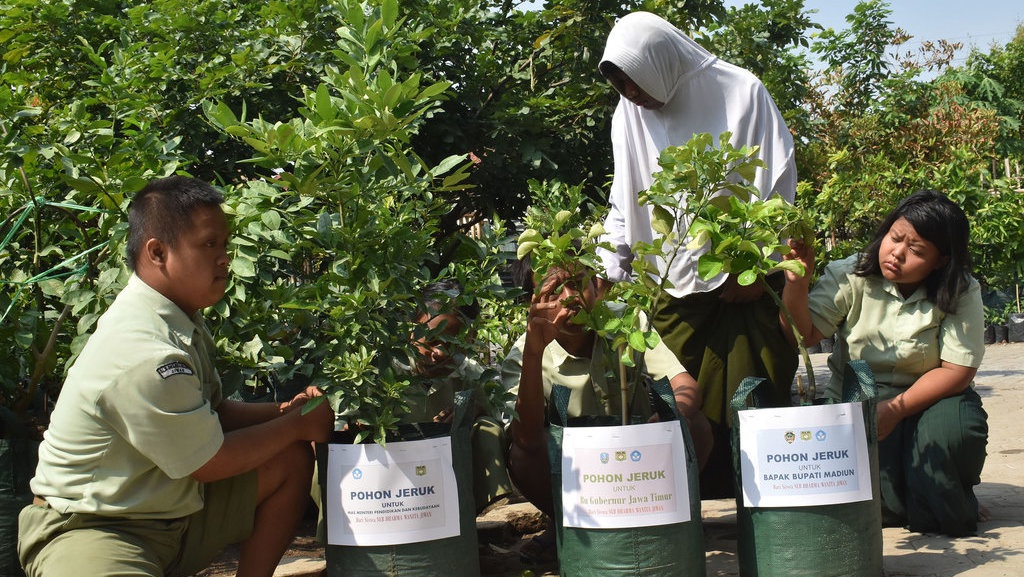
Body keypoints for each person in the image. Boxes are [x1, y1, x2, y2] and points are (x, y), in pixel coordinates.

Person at [18, 176, 336, 577]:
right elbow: (208, 461)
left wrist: (285, 411)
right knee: (287, 442)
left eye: (224, 244)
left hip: (174, 511)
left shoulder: (179, 318)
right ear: (157, 252)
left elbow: (213, 413)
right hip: (96, 528)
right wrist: (294, 426)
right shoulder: (143, 350)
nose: (224, 257)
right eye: (209, 244)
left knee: (287, 460)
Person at [596, 11, 799, 498]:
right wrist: (611, 262)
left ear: (660, 63)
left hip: (740, 285)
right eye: (624, 88)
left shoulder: (742, 91)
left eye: (637, 85)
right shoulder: (628, 113)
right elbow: (626, 195)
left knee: (752, 390)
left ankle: (762, 501)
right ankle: (685, 507)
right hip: (666, 280)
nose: (635, 97)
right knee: (675, 400)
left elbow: (777, 184)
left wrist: (756, 267)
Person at [782, 190, 988, 537]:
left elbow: (958, 371)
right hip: (858, 399)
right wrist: (797, 286)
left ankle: (944, 494)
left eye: (917, 250)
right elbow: (804, 335)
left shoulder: (960, 288)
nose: (897, 254)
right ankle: (928, 493)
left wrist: (895, 409)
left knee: (951, 436)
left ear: (940, 261)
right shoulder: (850, 274)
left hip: (932, 401)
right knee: (883, 506)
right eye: (895, 238)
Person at [502, 259, 706, 518]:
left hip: (640, 456)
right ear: (534, 303)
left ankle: (662, 516)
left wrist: (673, 416)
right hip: (576, 470)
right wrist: (534, 352)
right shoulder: (522, 355)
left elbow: (684, 384)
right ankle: (565, 529)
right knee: (522, 458)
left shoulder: (624, 320)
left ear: (597, 287)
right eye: (554, 291)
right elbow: (526, 439)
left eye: (577, 285)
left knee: (695, 426)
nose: (570, 299)